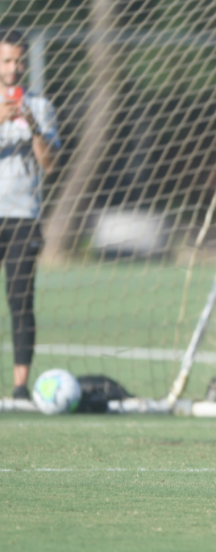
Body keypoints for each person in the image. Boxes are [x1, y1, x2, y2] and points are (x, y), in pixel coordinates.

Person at [0, 29, 60, 399]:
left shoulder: (41, 106)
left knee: (21, 299)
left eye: (19, 60)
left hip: (23, 217)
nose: (14, 67)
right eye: (7, 60)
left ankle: (20, 388)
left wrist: (32, 126)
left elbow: (49, 163)